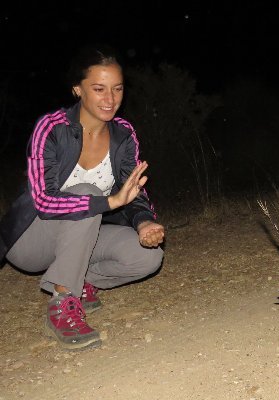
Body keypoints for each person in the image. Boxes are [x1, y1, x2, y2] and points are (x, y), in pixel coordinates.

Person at [0, 44, 165, 350]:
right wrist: (109, 202)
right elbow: (44, 202)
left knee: (149, 257)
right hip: (31, 239)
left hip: (83, 236)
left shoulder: (123, 134)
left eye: (117, 88)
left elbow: (133, 188)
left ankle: (80, 279)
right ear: (78, 89)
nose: (110, 98)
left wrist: (143, 222)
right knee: (88, 193)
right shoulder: (51, 129)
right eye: (99, 88)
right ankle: (62, 305)